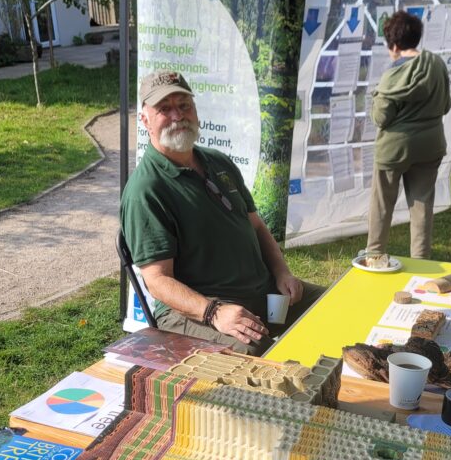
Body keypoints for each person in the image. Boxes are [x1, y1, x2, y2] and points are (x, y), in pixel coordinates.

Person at [121, 70, 324, 355]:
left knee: (333, 306)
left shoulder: (218, 162)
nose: (178, 116)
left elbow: (256, 226)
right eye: (164, 109)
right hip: (197, 310)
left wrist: (282, 272)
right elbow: (157, 280)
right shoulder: (146, 188)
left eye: (184, 105)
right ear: (145, 120)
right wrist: (214, 312)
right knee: (259, 356)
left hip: (261, 292)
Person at [366, 10, 451, 259]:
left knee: (382, 205)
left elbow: (380, 117)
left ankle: (375, 256)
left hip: (394, 149)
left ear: (393, 44)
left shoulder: (391, 75)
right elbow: (445, 105)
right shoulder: (436, 65)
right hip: (431, 145)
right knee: (422, 205)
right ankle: (421, 262)